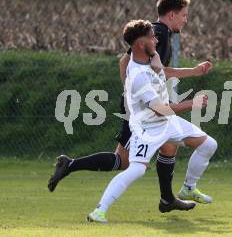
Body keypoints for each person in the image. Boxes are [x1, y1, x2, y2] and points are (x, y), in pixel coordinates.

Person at [86, 19, 218, 222]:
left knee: (209, 145)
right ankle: (100, 211)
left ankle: (188, 188)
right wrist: (193, 103)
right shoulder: (138, 76)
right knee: (136, 169)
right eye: (152, 37)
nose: (156, 41)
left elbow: (162, 70)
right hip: (148, 128)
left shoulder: (147, 56)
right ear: (140, 44)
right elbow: (160, 110)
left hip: (168, 123)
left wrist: (193, 70)